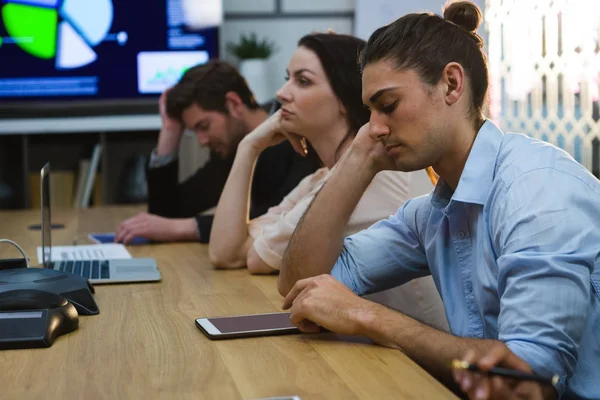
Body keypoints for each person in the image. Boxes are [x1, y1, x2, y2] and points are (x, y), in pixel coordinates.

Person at [278, 2, 599, 399]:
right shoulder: (432, 213)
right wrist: (358, 159)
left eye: (389, 105)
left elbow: (528, 378)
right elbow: (300, 286)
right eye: (369, 112)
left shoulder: (536, 190)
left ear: (451, 84)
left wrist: (367, 316)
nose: (375, 127)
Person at [208, 32, 448, 330]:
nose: (282, 93)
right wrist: (249, 148)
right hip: (387, 350)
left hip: (421, 366)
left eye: (303, 81)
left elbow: (251, 257)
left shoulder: (375, 175)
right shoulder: (321, 177)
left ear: (345, 99)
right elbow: (227, 250)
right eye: (288, 78)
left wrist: (249, 148)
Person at [115, 61, 321, 244]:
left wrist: (182, 228)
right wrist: (170, 131)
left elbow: (284, 219)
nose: (202, 141)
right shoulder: (228, 148)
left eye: (203, 126)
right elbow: (166, 216)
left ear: (233, 104)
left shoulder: (297, 133)